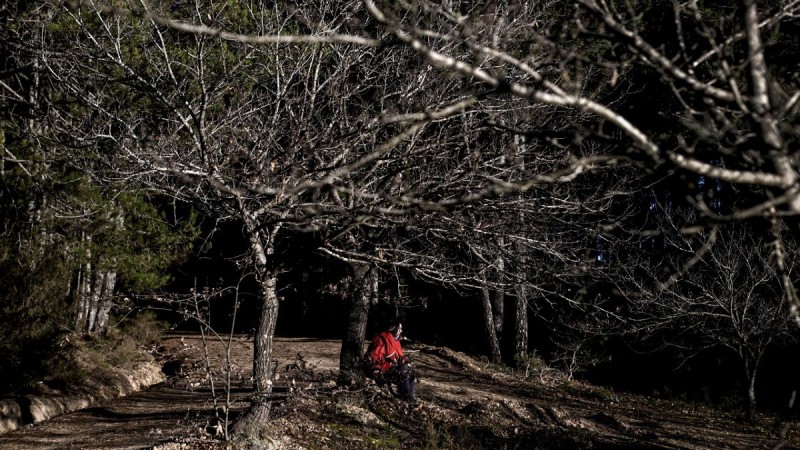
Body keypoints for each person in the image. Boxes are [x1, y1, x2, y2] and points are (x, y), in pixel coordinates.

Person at [365, 321, 417, 403]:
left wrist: (406, 362)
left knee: (410, 372)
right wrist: (377, 371)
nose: (401, 331)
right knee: (404, 370)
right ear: (393, 328)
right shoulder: (383, 339)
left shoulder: (395, 340)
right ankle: (407, 397)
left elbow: (399, 356)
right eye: (400, 328)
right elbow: (374, 357)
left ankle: (409, 397)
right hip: (384, 369)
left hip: (392, 367)